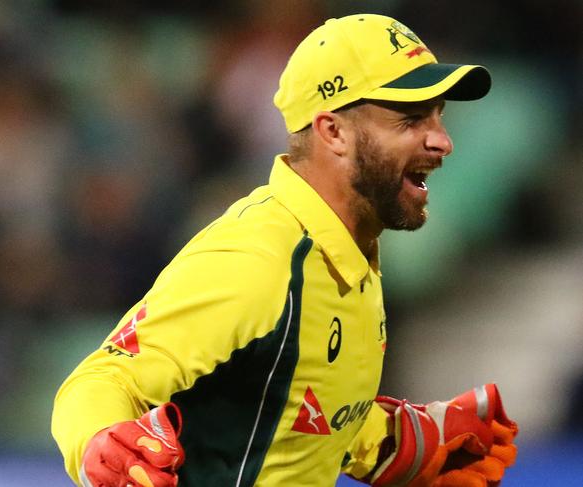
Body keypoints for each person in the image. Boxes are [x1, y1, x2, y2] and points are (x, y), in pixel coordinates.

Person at [52, 14, 518, 487]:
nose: (443, 140)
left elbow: (294, 403)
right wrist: (102, 444)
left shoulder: (350, 252)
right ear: (332, 132)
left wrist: (391, 442)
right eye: (411, 119)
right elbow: (100, 379)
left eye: (439, 115)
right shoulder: (258, 259)